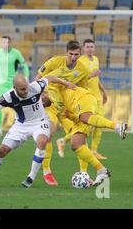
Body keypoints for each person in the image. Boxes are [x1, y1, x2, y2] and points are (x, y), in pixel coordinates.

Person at [0, 74, 75, 188]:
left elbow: (50, 77)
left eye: (26, 87)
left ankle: (30, 178)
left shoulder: (35, 87)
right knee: (2, 150)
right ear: (15, 87)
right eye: (22, 89)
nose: (26, 90)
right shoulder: (8, 97)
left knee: (42, 141)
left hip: (40, 122)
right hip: (21, 126)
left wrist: (66, 83)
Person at [35, 40, 98, 186]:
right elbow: (37, 80)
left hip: (67, 108)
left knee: (80, 139)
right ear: (66, 53)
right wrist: (40, 96)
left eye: (76, 54)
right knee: (48, 133)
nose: (74, 57)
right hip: (50, 105)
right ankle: (47, 172)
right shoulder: (54, 62)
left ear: (80, 54)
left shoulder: (83, 70)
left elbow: (80, 90)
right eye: (71, 54)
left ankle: (84, 174)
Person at [42, 82, 127, 185]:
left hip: (83, 98)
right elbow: (74, 118)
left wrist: (64, 82)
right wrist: (69, 116)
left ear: (44, 92)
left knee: (85, 118)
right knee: (76, 143)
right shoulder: (55, 107)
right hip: (78, 110)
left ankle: (117, 127)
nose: (41, 101)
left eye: (41, 97)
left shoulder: (51, 86)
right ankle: (101, 170)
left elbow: (54, 76)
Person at [56, 39, 109, 160]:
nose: (90, 49)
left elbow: (96, 79)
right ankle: (64, 140)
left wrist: (104, 92)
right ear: (83, 49)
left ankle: (94, 150)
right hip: (86, 97)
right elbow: (77, 79)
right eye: (88, 47)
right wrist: (92, 74)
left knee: (98, 125)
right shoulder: (80, 61)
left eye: (92, 47)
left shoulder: (96, 60)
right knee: (87, 125)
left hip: (97, 97)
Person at [0, 36, 30, 138]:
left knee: (18, 105)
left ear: (10, 43)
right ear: (1, 43)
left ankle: (24, 127)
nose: (5, 44)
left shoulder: (16, 53)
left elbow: (24, 65)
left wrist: (26, 78)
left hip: (13, 84)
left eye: (7, 42)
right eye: (3, 42)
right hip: (1, 84)